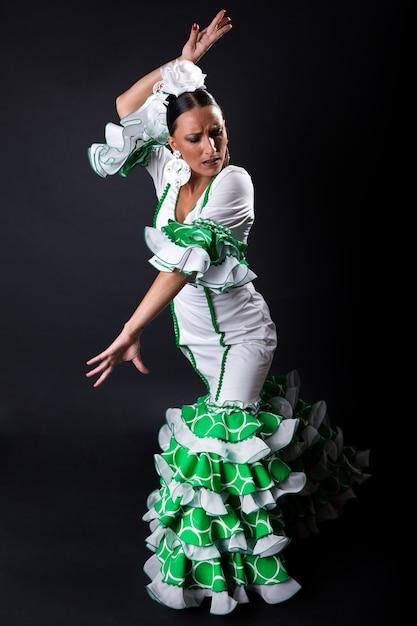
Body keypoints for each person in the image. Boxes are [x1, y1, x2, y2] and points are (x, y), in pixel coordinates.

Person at [86, 9, 369, 616]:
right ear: (173, 144)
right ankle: (312, 492)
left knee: (220, 444)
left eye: (219, 132)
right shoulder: (165, 171)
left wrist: (131, 329)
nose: (212, 146)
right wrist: (181, 65)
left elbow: (185, 265)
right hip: (198, 342)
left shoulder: (233, 183)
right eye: (196, 137)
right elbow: (122, 108)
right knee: (240, 441)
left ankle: (237, 570)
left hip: (243, 335)